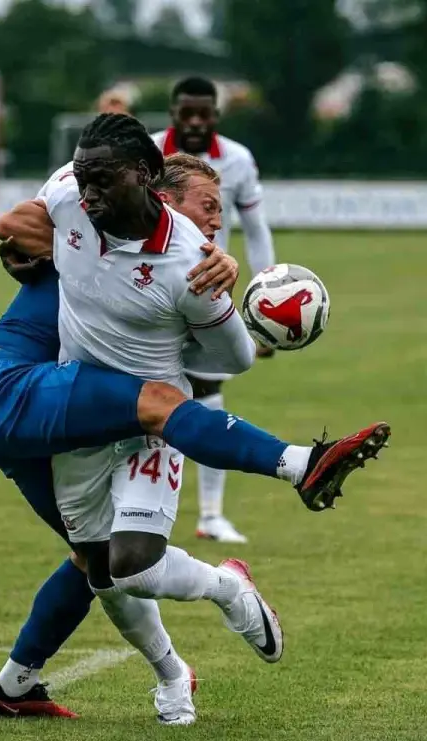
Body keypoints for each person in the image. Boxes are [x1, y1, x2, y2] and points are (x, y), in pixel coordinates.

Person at [0, 150, 390, 723]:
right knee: (97, 565)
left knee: (124, 563)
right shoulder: (87, 227)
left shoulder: (187, 261)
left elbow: (231, 356)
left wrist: (222, 284)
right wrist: (50, 235)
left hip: (128, 416)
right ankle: (178, 657)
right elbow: (13, 231)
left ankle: (24, 686)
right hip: (51, 399)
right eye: (208, 207)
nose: (218, 222)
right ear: (162, 196)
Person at [152, 76, 277, 544]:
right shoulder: (147, 155)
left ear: (216, 116)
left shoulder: (238, 160)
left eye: (205, 113)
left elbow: (256, 230)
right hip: (149, 293)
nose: (196, 122)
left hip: (206, 290)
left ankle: (209, 515)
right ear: (173, 113)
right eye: (187, 113)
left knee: (207, 394)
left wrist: (265, 300)